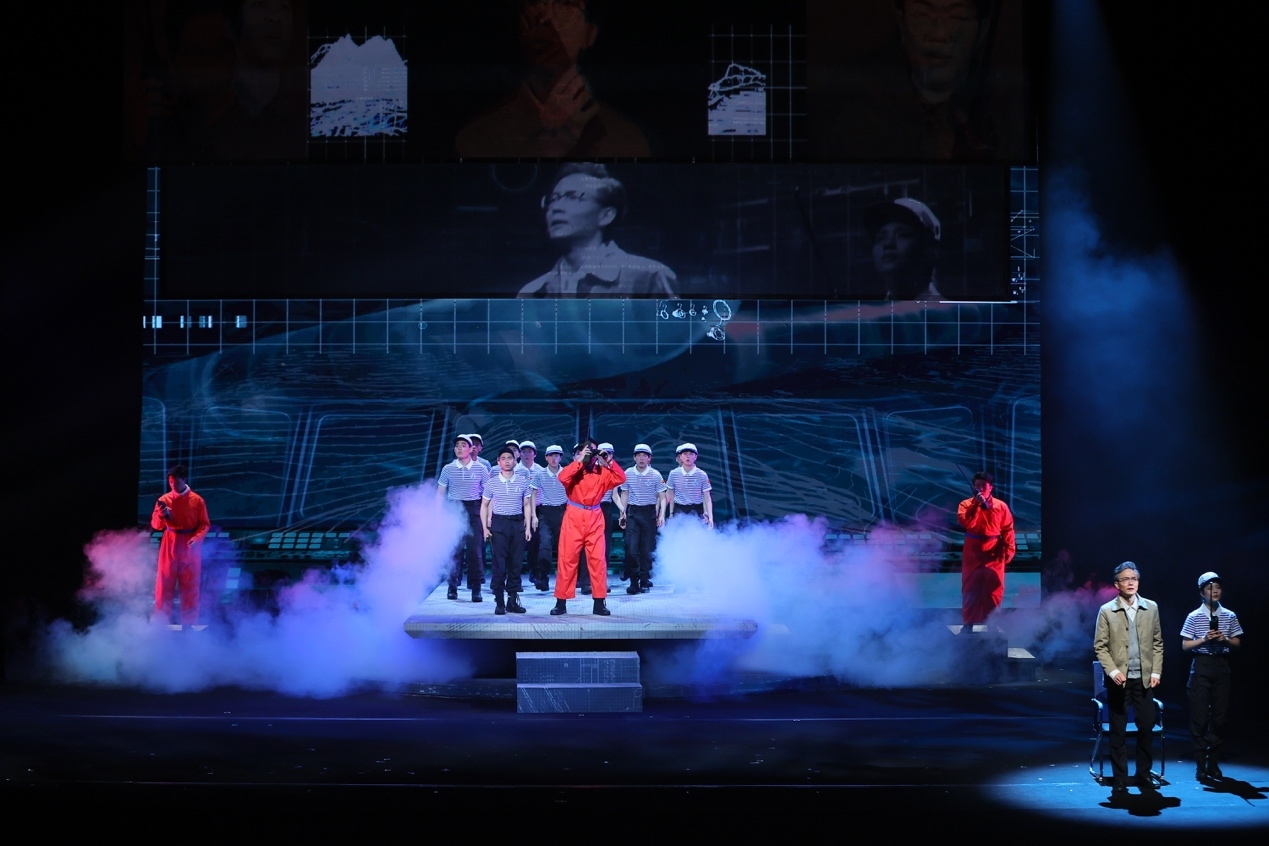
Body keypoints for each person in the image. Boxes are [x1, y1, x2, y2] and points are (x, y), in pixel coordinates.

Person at [455, 0, 651, 158]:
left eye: (564, 3)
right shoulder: (478, 136)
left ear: (589, 34)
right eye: (534, 3)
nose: (544, 17)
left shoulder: (627, 139)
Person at [518, 163, 677, 298]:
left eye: (573, 197)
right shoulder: (533, 292)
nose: (556, 208)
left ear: (606, 215)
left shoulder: (648, 277)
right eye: (553, 199)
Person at [1094, 561, 1164, 794]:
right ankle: (1120, 778)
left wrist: (1155, 671)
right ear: (1117, 584)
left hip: (1143, 680)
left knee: (1146, 727)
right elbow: (1100, 646)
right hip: (1119, 681)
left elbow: (1157, 643)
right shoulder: (1107, 610)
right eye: (1125, 579)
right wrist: (1113, 671)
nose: (1131, 582)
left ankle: (1143, 774)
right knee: (1118, 730)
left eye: (1134, 578)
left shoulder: (1151, 607)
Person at [551, 439, 626, 616]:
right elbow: (562, 477)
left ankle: (599, 602)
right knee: (567, 560)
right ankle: (561, 602)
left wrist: (608, 460)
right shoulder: (573, 471)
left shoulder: (603, 472)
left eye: (591, 452)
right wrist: (579, 461)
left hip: (595, 517)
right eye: (584, 452)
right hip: (573, 516)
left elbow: (621, 478)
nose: (588, 455)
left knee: (598, 561)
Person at [1181, 571, 1244, 780]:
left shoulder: (1230, 615)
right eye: (1209, 588)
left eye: (1217, 587)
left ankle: (1213, 762)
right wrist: (1204, 639)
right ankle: (1200, 764)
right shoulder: (1194, 616)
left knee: (1219, 718)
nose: (1215, 591)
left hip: (1221, 666)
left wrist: (1224, 639)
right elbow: (1185, 645)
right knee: (1199, 718)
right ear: (1201, 592)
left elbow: (1238, 643)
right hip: (1201, 665)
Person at [151, 464, 211, 628]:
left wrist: (197, 539)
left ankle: (189, 625)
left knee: (190, 586)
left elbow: (204, 524)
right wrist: (161, 516)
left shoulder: (197, 501)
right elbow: (156, 525)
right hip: (169, 542)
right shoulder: (164, 500)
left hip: (189, 545)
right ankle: (160, 623)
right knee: (163, 585)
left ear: (184, 479)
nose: (173, 485)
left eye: (176, 482)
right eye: (170, 482)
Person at [956, 471, 1015, 625]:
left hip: (994, 549)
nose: (980, 488)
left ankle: (992, 623)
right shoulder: (965, 504)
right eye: (977, 485)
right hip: (973, 550)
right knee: (970, 587)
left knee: (994, 588)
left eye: (983, 485)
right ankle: (968, 623)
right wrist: (976, 504)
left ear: (991, 487)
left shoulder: (1001, 506)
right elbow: (966, 523)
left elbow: (1008, 529)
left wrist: (1009, 549)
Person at [436, 434, 490, 602]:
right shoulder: (448, 468)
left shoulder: (480, 468)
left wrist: (488, 516)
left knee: (475, 551)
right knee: (454, 551)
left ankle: (476, 588)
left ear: (471, 448)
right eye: (457, 445)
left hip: (474, 510)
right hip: (454, 510)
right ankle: (452, 587)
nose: (459, 448)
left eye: (463, 445)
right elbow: (440, 494)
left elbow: (489, 494)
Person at [481, 446, 534, 615]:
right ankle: (499, 601)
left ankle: (512, 600)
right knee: (499, 565)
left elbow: (527, 505)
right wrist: (485, 528)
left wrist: (528, 527)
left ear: (515, 461)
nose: (506, 461)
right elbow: (484, 505)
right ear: (498, 462)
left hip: (517, 524)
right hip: (499, 525)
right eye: (503, 458)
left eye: (509, 458)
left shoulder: (522, 481)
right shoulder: (492, 482)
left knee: (516, 564)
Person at [865, 198, 942, 300]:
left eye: (903, 235)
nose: (888, 244)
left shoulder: (952, 310)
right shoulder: (865, 310)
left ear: (930, 250)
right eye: (881, 238)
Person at [615, 443, 666, 594]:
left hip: (649, 514)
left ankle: (644, 579)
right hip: (633, 513)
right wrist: (622, 513)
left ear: (650, 458)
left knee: (646, 549)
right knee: (631, 548)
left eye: (645, 455)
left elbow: (662, 497)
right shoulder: (628, 473)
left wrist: (661, 515)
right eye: (639, 455)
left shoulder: (656, 475)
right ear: (634, 457)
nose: (641, 458)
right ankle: (633, 580)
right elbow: (624, 494)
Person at [530, 444, 569, 592]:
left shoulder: (566, 473)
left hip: (563, 511)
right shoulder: (540, 474)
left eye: (556, 455)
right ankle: (543, 577)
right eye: (551, 455)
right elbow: (533, 493)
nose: (554, 458)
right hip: (545, 512)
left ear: (560, 457)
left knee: (564, 547)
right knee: (544, 544)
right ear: (546, 458)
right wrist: (534, 515)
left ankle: (564, 579)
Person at [665, 443, 713, 528]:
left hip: (697, 509)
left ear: (696, 457)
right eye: (685, 454)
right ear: (680, 457)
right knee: (677, 534)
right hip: (679, 509)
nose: (688, 456)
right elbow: (669, 495)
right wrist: (661, 514)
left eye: (691, 454)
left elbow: (707, 498)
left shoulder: (702, 475)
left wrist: (710, 516)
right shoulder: (674, 473)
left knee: (697, 533)